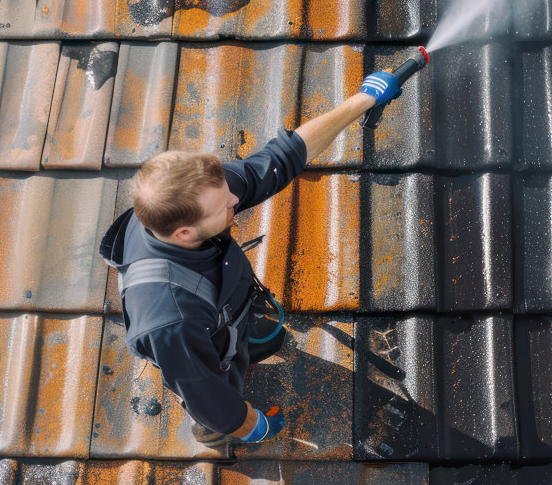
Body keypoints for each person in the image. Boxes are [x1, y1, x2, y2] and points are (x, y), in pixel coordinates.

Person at [98, 69, 402, 446]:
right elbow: (209, 399)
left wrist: (364, 99)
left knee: (258, 341)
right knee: (215, 399)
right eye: (223, 205)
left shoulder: (190, 197)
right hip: (199, 347)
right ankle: (213, 436)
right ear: (184, 233)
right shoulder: (171, 320)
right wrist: (253, 426)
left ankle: (240, 335)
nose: (234, 200)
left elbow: (282, 159)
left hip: (222, 308)